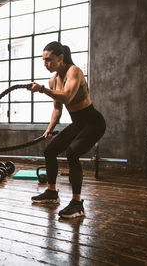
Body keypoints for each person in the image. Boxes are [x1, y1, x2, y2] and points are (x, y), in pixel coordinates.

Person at [28, 41, 106, 218]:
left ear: (60, 58)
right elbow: (57, 108)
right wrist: (49, 129)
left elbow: (67, 96)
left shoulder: (74, 71)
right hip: (77, 123)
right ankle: (51, 193)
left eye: (49, 60)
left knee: (72, 153)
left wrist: (41, 90)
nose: (45, 64)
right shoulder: (53, 80)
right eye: (44, 60)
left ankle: (77, 204)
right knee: (50, 151)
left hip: (93, 122)